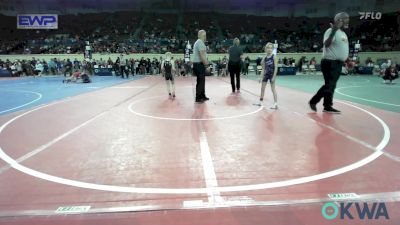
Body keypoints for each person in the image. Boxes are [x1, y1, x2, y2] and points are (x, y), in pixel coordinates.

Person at [309, 12, 350, 114]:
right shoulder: (330, 30)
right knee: (330, 84)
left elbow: (342, 48)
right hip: (330, 62)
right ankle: (317, 102)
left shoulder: (343, 33)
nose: (348, 20)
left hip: (338, 63)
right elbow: (326, 45)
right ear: (339, 20)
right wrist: (333, 31)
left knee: (331, 85)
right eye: (346, 18)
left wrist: (347, 60)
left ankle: (326, 106)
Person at [259, 42, 278, 109]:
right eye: (268, 48)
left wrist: (274, 77)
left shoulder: (274, 57)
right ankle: (261, 102)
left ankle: (275, 104)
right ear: (266, 49)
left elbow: (276, 67)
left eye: (271, 48)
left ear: (272, 49)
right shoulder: (265, 58)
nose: (269, 49)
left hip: (272, 75)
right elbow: (263, 68)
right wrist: (260, 77)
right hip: (266, 75)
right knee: (262, 88)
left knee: (273, 89)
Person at [193, 30, 210, 103]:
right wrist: (207, 65)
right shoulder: (200, 42)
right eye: (204, 35)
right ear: (199, 35)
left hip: (198, 64)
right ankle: (198, 97)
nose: (205, 37)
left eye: (205, 35)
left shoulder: (199, 42)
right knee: (200, 81)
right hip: (199, 64)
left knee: (201, 81)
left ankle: (202, 96)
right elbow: (202, 55)